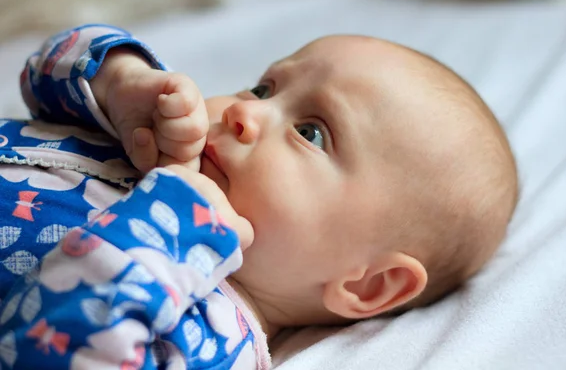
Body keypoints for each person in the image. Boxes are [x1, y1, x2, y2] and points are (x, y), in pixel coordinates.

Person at [0, 24, 518, 369]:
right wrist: (121, 81)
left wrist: (165, 230)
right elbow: (41, 70)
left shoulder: (215, 337)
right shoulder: (150, 142)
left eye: (311, 132)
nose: (243, 113)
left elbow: (48, 353)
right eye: (265, 89)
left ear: (369, 283)